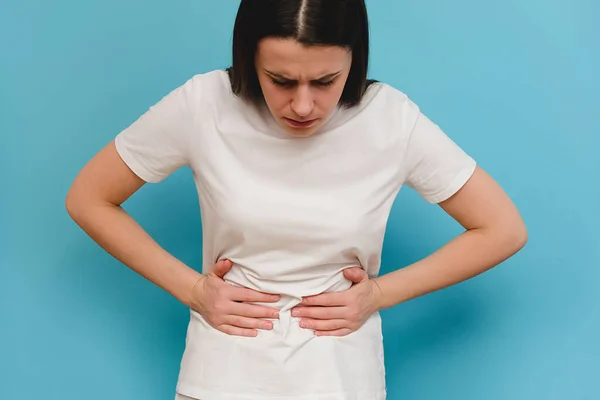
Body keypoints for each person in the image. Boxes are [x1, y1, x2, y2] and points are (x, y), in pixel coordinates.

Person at [65, 0, 528, 399]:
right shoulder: (204, 104)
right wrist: (191, 289)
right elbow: (89, 197)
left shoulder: (391, 120)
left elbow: (503, 229)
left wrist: (381, 294)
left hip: (343, 382)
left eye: (326, 81)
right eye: (281, 81)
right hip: (220, 379)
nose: (303, 106)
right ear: (249, 59)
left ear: (354, 60)